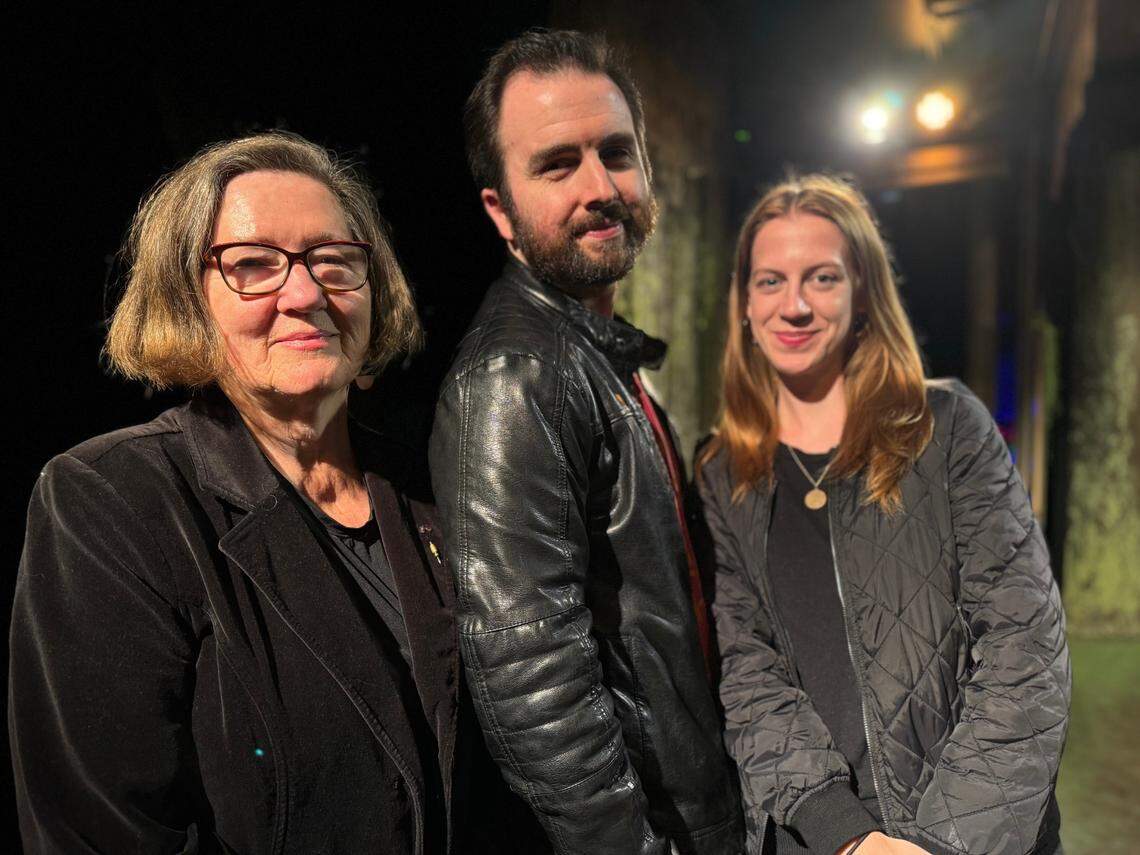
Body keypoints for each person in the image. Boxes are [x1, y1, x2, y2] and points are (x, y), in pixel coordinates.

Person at [10, 131, 518, 854]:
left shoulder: (439, 484)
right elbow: (102, 832)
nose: (305, 293)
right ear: (187, 299)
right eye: (252, 264)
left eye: (333, 260)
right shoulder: (112, 497)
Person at [429, 28, 744, 855]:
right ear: (500, 211)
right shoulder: (515, 375)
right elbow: (531, 676)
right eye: (557, 164)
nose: (600, 187)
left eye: (617, 153)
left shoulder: (591, 352)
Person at [696, 174, 1071, 855]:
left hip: (966, 834)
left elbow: (1026, 645)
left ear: (863, 291)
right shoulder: (724, 471)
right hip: (817, 836)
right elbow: (746, 672)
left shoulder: (945, 428)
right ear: (745, 303)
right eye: (771, 281)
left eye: (822, 278)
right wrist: (844, 833)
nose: (795, 305)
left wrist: (946, 841)